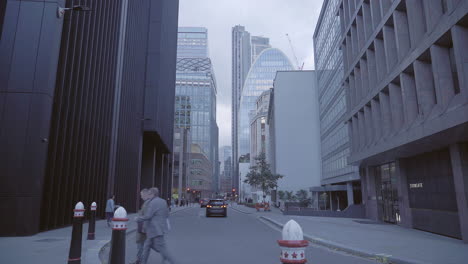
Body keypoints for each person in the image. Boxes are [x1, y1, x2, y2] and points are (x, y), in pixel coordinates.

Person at [137, 187, 176, 264]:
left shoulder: (152, 203)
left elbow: (148, 216)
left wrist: (138, 218)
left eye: (149, 194)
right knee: (146, 247)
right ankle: (143, 262)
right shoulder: (163, 201)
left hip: (154, 229)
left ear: (153, 194)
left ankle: (173, 261)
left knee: (162, 248)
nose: (148, 195)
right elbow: (167, 214)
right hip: (156, 228)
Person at [130, 189, 151, 264]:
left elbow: (146, 216)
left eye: (141, 195)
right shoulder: (147, 202)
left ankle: (139, 260)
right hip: (143, 227)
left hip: (143, 228)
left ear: (145, 194)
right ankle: (140, 260)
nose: (141, 196)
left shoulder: (147, 203)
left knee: (140, 244)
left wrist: (138, 218)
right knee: (142, 245)